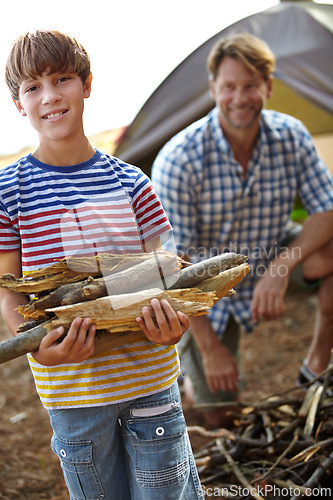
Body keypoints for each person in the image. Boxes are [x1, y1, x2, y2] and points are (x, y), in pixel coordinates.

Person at [0, 30, 204, 499]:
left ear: (87, 84)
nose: (50, 96)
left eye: (62, 79)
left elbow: (169, 273)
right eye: (33, 87)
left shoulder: (133, 184)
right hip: (73, 395)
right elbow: (10, 292)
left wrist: (177, 326)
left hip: (150, 380)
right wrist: (37, 348)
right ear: (18, 103)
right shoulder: (10, 193)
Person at [152, 32, 333, 429]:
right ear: (213, 88)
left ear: (267, 87)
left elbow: (326, 210)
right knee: (221, 416)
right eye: (229, 87)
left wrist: (281, 268)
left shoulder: (292, 136)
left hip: (269, 252)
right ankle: (191, 373)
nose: (240, 98)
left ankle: (319, 362)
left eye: (250, 86)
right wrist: (211, 347)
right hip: (202, 284)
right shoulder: (180, 159)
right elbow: (171, 266)